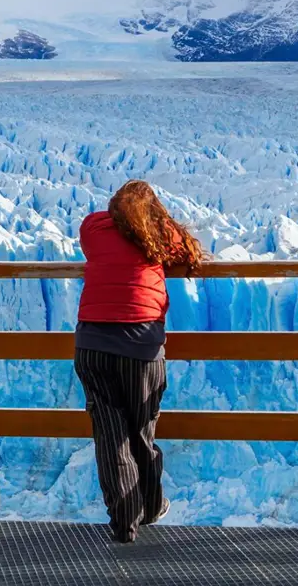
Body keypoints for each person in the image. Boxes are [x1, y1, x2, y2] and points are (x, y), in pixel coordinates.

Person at [75, 180, 205, 544]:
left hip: (93, 345)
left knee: (110, 435)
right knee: (141, 433)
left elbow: (90, 232)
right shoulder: (159, 235)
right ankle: (148, 507)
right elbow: (184, 249)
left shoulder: (94, 228)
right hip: (141, 348)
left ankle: (124, 522)